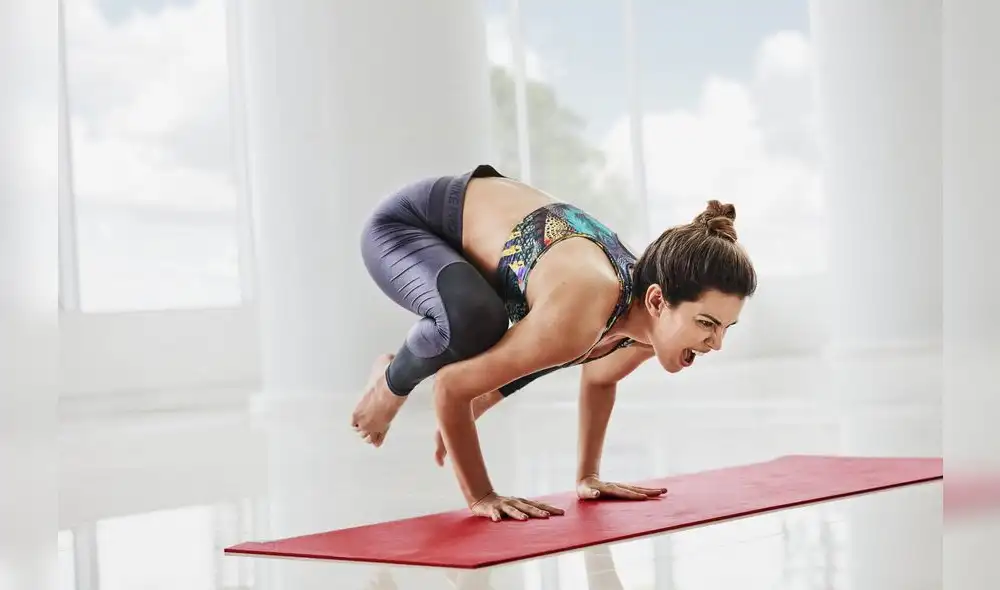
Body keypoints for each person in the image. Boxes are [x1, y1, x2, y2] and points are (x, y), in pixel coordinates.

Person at [352, 164, 757, 522]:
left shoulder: (638, 323)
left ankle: (406, 374)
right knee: (478, 321)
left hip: (471, 243)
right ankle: (389, 382)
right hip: (406, 226)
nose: (716, 343)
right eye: (707, 323)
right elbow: (451, 387)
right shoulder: (589, 301)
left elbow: (599, 378)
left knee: (553, 339)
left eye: (725, 327)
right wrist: (482, 496)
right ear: (657, 300)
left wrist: (587, 477)